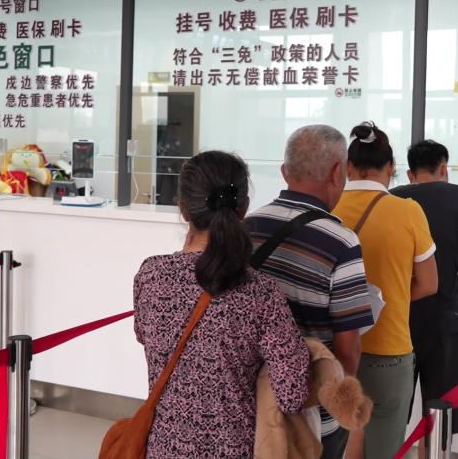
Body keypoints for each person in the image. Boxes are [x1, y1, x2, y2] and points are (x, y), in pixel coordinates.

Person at [133, 151, 310, 458]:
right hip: (234, 449)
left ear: (183, 209)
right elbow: (292, 394)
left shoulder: (150, 275)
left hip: (163, 449)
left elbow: (143, 336)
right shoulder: (261, 292)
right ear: (243, 208)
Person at [244, 124, 375, 459]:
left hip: (252, 406)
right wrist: (338, 403)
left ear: (284, 171)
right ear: (337, 172)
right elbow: (348, 348)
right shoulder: (341, 242)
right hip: (312, 415)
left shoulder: (248, 227)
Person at [332, 122, 438, 459]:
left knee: (335, 444)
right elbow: (429, 283)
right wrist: (389, 299)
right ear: (390, 168)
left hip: (333, 349)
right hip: (389, 349)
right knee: (384, 449)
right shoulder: (407, 211)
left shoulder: (327, 209)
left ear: (348, 167)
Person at [390, 139, 458, 435]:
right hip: (444, 319)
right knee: (442, 413)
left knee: (390, 414)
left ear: (410, 173)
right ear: (444, 168)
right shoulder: (457, 195)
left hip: (399, 320)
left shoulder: (393, 198)